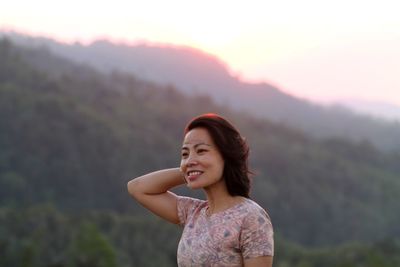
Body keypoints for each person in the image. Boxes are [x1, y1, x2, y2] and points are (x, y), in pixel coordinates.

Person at [127, 113, 274, 266]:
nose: (190, 159)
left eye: (201, 151)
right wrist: (189, 170)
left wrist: (196, 168)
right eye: (185, 154)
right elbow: (137, 188)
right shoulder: (193, 212)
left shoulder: (251, 217)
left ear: (226, 155)